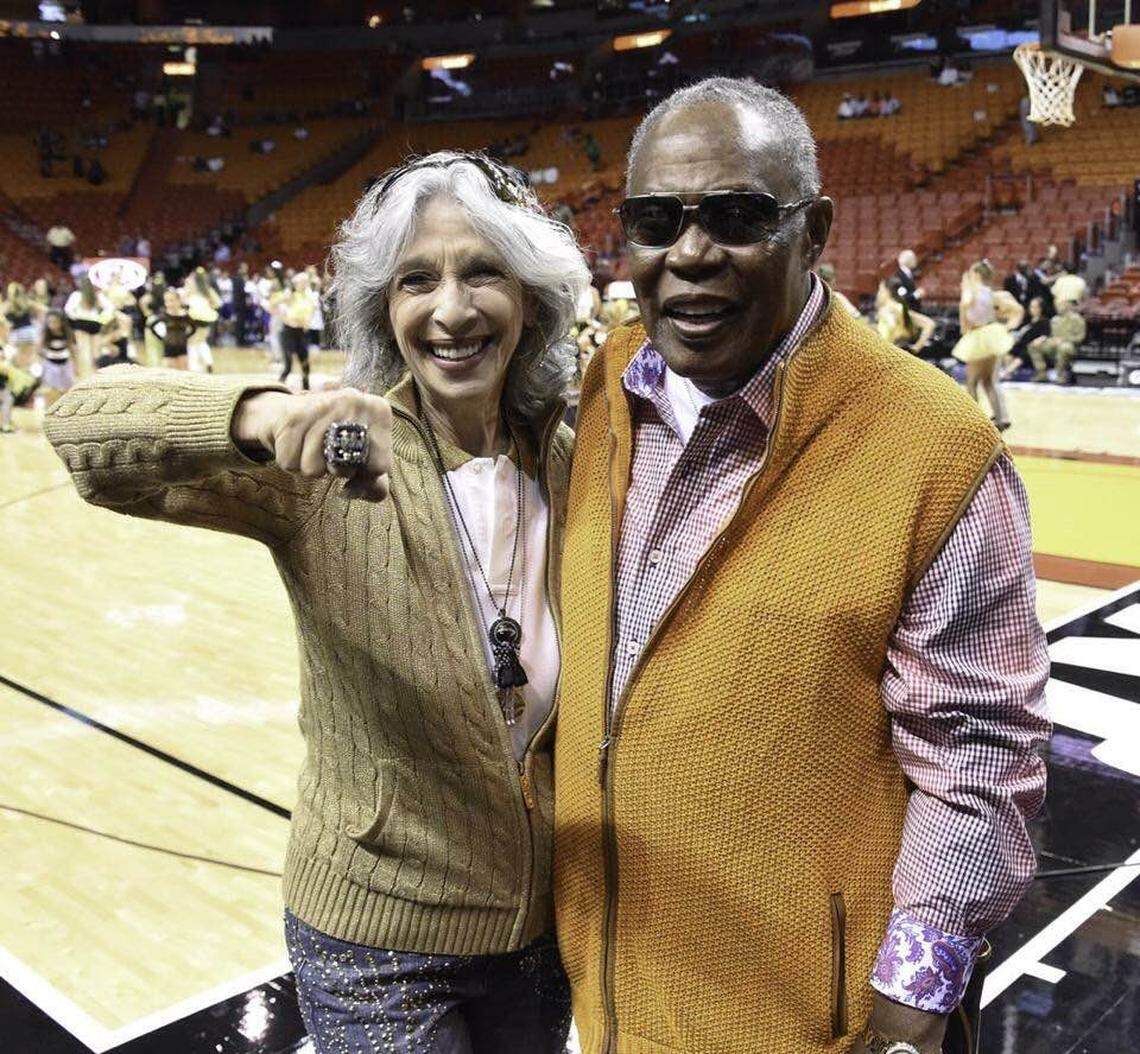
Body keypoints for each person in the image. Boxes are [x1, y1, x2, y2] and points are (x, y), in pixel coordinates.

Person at [45, 150, 591, 1054]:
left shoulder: (577, 459)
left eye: (483, 271)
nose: (451, 309)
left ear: (530, 296)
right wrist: (260, 418)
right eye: (417, 280)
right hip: (377, 937)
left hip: (542, 929)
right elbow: (81, 430)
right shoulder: (328, 459)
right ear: (385, 307)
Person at [554, 77, 1049, 1054]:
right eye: (658, 221)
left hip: (808, 1024)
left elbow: (981, 757)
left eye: (736, 216)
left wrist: (912, 1003)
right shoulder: (610, 382)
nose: (691, 253)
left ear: (813, 231)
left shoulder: (933, 447)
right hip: (611, 994)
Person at [952, 260, 1023, 430]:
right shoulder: (992, 293)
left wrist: (964, 323)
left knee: (972, 381)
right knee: (989, 381)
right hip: (993, 333)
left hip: (978, 335)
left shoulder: (972, 291)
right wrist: (1009, 326)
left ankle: (973, 419)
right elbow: (1018, 310)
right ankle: (1001, 417)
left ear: (976, 274)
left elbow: (965, 304)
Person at [274, 271, 319, 390]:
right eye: (301, 282)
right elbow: (275, 305)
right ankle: (278, 387)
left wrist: (307, 322)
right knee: (288, 366)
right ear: (295, 283)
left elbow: (312, 310)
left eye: (305, 282)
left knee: (305, 364)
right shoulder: (290, 295)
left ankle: (306, 389)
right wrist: (286, 318)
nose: (304, 284)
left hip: (302, 333)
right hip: (288, 332)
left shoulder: (309, 297)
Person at [1029, 299, 1086, 383]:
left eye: (1061, 304)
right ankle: (1041, 373)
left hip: (1070, 345)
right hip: (1054, 344)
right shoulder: (1055, 319)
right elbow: (1050, 334)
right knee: (1033, 346)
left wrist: (1063, 340)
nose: (1058, 306)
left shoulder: (1078, 320)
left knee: (1064, 348)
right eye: (1058, 304)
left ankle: (1060, 375)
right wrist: (1050, 340)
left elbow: (1080, 337)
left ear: (1068, 305)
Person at [64, 276, 110, 379]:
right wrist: (101, 318)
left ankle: (87, 375)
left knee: (84, 350)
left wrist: (75, 317)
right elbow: (109, 307)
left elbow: (68, 310)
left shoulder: (76, 295)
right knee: (96, 351)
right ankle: (97, 374)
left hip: (81, 323)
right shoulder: (97, 295)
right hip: (95, 323)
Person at [875, 279, 935, 354]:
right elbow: (929, 324)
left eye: (880, 290)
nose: (878, 294)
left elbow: (885, 337)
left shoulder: (890, 310)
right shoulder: (900, 308)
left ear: (887, 292)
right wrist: (916, 348)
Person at [38, 309, 76, 407]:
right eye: (49, 322)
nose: (52, 325)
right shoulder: (45, 334)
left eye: (55, 322)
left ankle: (65, 407)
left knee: (67, 387)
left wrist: (76, 366)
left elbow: (72, 349)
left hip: (65, 365)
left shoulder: (67, 334)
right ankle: (50, 408)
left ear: (61, 322)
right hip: (51, 365)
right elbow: (39, 349)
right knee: (51, 389)